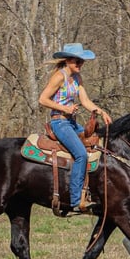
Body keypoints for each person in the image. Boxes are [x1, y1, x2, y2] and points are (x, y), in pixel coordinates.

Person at [38, 43, 112, 213]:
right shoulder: (59, 76)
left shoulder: (78, 78)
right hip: (59, 122)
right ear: (68, 60)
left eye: (82, 61)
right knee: (80, 154)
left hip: (71, 123)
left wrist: (101, 112)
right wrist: (65, 109)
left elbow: (85, 101)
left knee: (96, 145)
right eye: (77, 60)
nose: (80, 63)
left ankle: (93, 191)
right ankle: (76, 199)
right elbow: (43, 99)